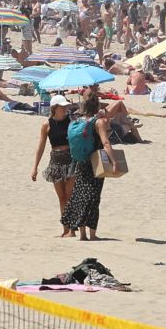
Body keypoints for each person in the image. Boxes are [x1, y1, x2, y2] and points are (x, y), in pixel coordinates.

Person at [60, 93, 122, 241]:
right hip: (95, 162)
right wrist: (114, 162)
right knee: (93, 198)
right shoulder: (98, 122)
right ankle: (92, 235)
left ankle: (82, 234)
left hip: (81, 162)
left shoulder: (77, 121)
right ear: (96, 106)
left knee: (81, 196)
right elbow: (106, 142)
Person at [31, 94, 77, 235]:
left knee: (70, 194)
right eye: (62, 107)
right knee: (61, 197)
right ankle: (65, 229)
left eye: (65, 106)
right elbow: (41, 147)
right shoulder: (47, 124)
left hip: (70, 160)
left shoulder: (71, 121)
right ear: (55, 108)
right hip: (55, 161)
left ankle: (72, 229)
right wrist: (35, 167)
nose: (65, 109)